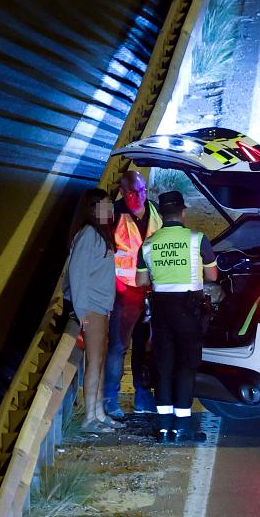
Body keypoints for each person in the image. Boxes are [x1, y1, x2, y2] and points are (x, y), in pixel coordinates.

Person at [136, 191, 217, 442]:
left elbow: (140, 280)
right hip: (188, 310)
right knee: (186, 366)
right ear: (183, 212)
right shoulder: (197, 239)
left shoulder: (147, 244)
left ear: (160, 214)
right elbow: (212, 276)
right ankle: (183, 427)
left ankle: (163, 428)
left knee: (163, 366)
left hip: (161, 310)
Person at [103, 170, 161, 419]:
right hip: (124, 293)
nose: (137, 196)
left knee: (144, 347)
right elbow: (102, 251)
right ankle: (109, 399)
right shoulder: (112, 213)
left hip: (151, 291)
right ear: (122, 192)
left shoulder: (156, 210)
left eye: (140, 191)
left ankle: (142, 396)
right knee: (118, 347)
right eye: (130, 192)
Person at [65, 189, 122, 433]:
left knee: (98, 361)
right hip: (92, 308)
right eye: (106, 205)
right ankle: (90, 417)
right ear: (92, 207)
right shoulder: (88, 234)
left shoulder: (100, 234)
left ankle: (98, 412)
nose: (110, 210)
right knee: (94, 362)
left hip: (101, 307)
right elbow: (77, 274)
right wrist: (81, 311)